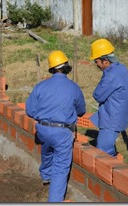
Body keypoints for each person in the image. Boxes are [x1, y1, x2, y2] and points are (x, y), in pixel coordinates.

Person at [25, 50, 86, 202]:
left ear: (52, 68)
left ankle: (45, 175)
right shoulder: (74, 88)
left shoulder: (41, 86)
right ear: (67, 67)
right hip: (63, 132)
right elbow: (81, 111)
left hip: (43, 129)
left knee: (46, 152)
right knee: (61, 168)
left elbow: (30, 110)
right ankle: (55, 200)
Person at [89, 38, 128, 156]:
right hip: (117, 114)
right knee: (105, 148)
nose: (96, 64)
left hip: (112, 118)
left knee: (103, 150)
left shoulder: (111, 75)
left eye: (96, 61)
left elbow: (98, 95)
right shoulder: (121, 68)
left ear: (105, 61)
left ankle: (113, 167)